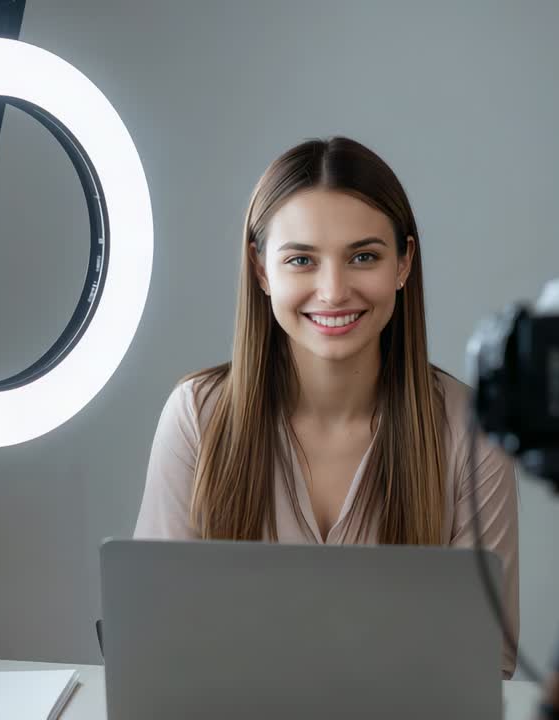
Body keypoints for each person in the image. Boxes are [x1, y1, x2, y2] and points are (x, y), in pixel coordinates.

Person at [133, 136, 520, 678]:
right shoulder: (198, 416)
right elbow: (157, 640)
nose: (334, 290)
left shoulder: (472, 432)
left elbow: (484, 662)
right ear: (262, 270)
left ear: (404, 264)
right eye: (301, 260)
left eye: (364, 256)